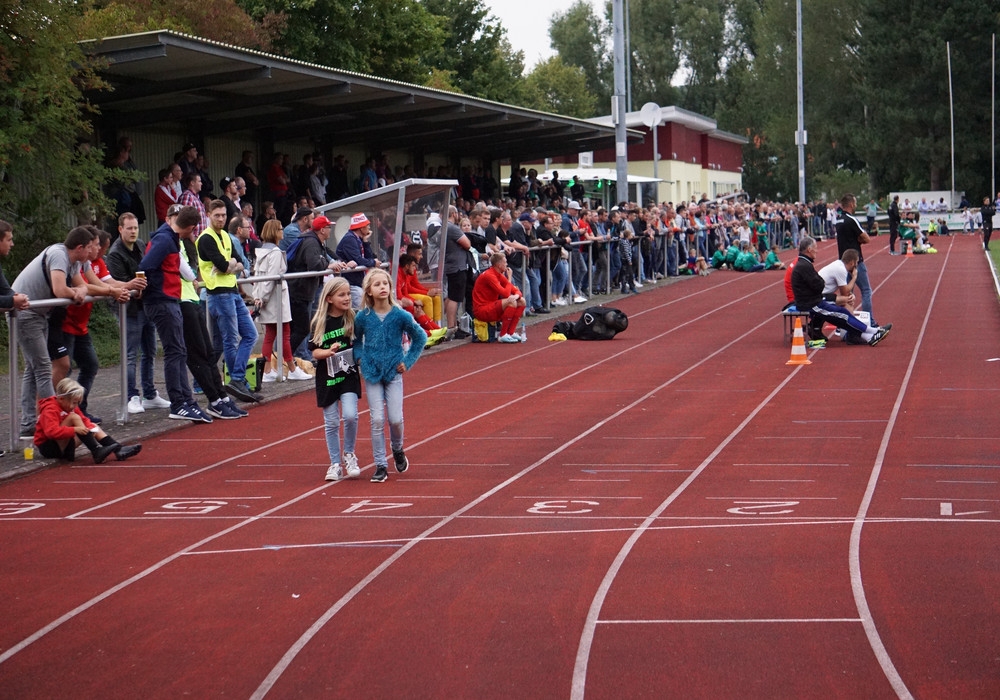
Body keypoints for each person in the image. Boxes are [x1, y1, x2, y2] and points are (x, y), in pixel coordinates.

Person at [13, 227, 97, 436]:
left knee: (33, 369)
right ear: (79, 248)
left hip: (40, 313)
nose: (90, 255)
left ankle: (29, 424)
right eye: (88, 249)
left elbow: (83, 287)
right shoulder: (59, 255)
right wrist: (75, 294)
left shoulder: (74, 262)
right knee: (42, 368)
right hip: (26, 312)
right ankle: (48, 422)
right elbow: (61, 290)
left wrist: (80, 291)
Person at [138, 206, 214, 423]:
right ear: (190, 227)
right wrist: (149, 291)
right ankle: (179, 402)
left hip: (169, 300)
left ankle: (186, 400)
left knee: (179, 351)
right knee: (175, 351)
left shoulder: (169, 238)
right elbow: (146, 266)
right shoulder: (165, 240)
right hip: (162, 301)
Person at [353, 269, 427, 483]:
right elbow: (357, 341)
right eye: (377, 284)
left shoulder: (400, 315)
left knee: (395, 419)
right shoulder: (363, 317)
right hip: (372, 372)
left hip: (394, 372)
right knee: (376, 419)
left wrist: (408, 360)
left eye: (385, 283)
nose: (382, 287)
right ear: (369, 290)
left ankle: (397, 448)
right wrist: (360, 359)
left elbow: (420, 337)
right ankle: (380, 465)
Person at [106, 213, 171, 414]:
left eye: (135, 228)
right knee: (130, 353)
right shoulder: (115, 253)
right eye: (129, 228)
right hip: (128, 309)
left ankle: (150, 394)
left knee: (150, 351)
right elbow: (117, 282)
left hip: (146, 306)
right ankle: (130, 396)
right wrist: (134, 286)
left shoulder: (141, 245)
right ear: (120, 229)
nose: (133, 231)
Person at [197, 199, 259, 402]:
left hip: (232, 291)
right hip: (218, 293)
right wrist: (232, 265)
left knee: (250, 334)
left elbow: (238, 263)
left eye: (223, 215)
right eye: (217, 215)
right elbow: (225, 265)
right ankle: (236, 381)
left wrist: (232, 264)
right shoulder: (206, 239)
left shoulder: (225, 236)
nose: (221, 219)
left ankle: (237, 379)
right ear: (208, 215)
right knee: (229, 340)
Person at [308, 277, 362, 482]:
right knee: (331, 422)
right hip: (327, 378)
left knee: (350, 415)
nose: (347, 298)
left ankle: (349, 454)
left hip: (348, 375)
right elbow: (314, 352)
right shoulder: (319, 322)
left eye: (348, 294)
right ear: (329, 298)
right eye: (342, 295)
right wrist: (328, 352)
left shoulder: (352, 319)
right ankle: (335, 464)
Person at [791, 237, 890, 346]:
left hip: (813, 300)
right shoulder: (804, 266)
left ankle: (869, 335)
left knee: (842, 315)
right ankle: (873, 331)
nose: (817, 251)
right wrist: (854, 278)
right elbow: (819, 285)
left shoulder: (804, 264)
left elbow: (818, 282)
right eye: (815, 248)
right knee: (844, 315)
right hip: (811, 303)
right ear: (809, 249)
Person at [253, 220, 311, 382]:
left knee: (271, 336)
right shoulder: (276, 253)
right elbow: (271, 279)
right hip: (275, 299)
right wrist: (262, 298)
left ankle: (268, 371)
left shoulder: (261, 252)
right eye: (280, 229)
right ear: (274, 232)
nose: (283, 232)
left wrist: (259, 298)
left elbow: (260, 279)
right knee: (284, 334)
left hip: (267, 299)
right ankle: (291, 369)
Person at [35, 378, 142, 463]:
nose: (75, 406)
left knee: (92, 424)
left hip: (65, 444)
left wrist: (91, 428)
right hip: (49, 448)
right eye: (74, 403)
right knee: (74, 417)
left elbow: (84, 420)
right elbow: (51, 432)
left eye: (77, 403)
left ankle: (118, 449)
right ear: (61, 399)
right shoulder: (50, 409)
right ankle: (96, 450)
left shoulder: (71, 406)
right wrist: (75, 429)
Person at [836, 193, 878, 326]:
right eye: (855, 203)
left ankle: (845, 324)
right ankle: (870, 321)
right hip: (855, 261)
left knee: (848, 294)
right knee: (866, 290)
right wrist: (858, 240)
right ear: (851, 204)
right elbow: (866, 238)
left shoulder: (838, 220)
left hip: (842, 262)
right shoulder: (851, 220)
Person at [472, 253, 527, 343]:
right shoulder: (489, 275)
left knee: (522, 301)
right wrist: (509, 277)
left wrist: (517, 296)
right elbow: (505, 294)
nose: (507, 264)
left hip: (491, 306)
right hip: (482, 309)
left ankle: (510, 332)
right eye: (505, 262)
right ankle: (502, 335)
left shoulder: (498, 274)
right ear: (499, 265)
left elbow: (516, 291)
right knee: (511, 302)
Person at [335, 212, 378, 309]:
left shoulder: (358, 238)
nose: (369, 229)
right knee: (361, 311)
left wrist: (366, 241)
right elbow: (358, 260)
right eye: (367, 226)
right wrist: (374, 263)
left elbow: (369, 256)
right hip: (351, 283)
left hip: (358, 282)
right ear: (361, 228)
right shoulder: (349, 239)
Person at [442, 205, 472, 338]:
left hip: (451, 265)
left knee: (451, 296)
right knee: (455, 297)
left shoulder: (444, 227)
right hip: (457, 266)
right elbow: (467, 244)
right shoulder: (452, 228)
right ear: (454, 214)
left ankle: (453, 325)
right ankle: (452, 327)